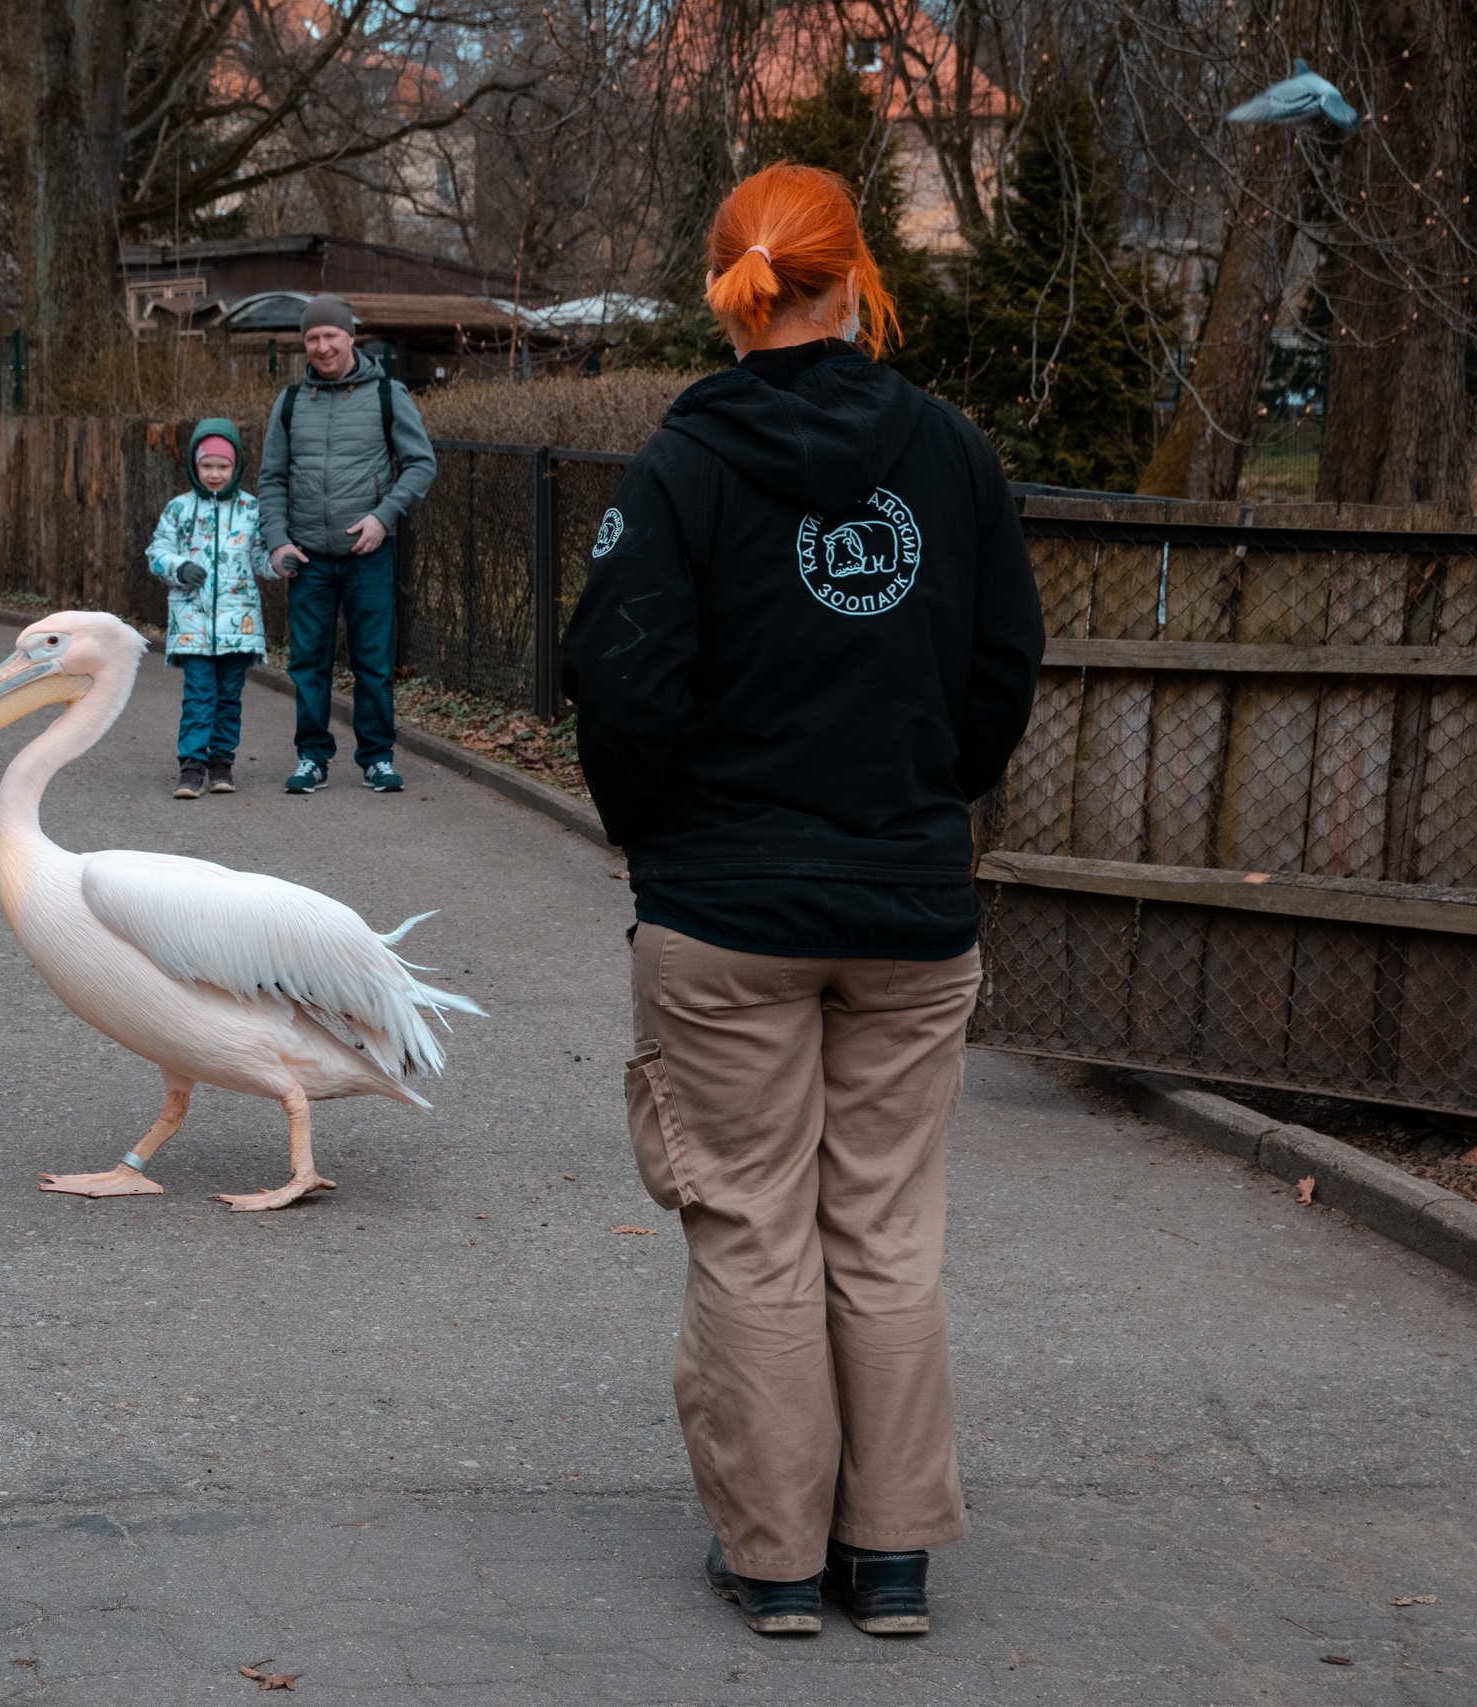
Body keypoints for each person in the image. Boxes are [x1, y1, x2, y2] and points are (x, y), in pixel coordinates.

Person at [560, 164, 1045, 1639]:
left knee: (755, 1224)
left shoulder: (681, 469)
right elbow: (1002, 669)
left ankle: (775, 1556)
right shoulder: (953, 456)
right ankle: (889, 1555)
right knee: (886, 1230)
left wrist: (664, 837)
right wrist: (921, 794)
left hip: (727, 913)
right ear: (857, 277)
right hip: (906, 905)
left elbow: (621, 684)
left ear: (732, 284)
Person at [256, 293, 436, 796]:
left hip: (368, 557)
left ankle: (377, 757)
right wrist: (276, 542)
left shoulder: (387, 395)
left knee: (372, 662)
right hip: (308, 558)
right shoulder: (290, 402)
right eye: (312, 338)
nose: (322, 346)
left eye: (331, 335)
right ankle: (312, 757)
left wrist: (383, 517)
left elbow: (420, 464)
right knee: (307, 663)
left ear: (350, 337)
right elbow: (270, 479)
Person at [145, 418, 275, 798]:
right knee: (200, 694)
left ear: (235, 468)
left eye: (223, 466)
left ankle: (222, 762)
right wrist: (179, 568)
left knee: (229, 696)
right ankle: (191, 766)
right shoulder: (179, 510)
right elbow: (157, 552)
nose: (215, 474)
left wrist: (282, 563)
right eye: (207, 466)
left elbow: (262, 558)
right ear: (194, 466)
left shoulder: (251, 510)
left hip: (239, 624)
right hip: (192, 623)